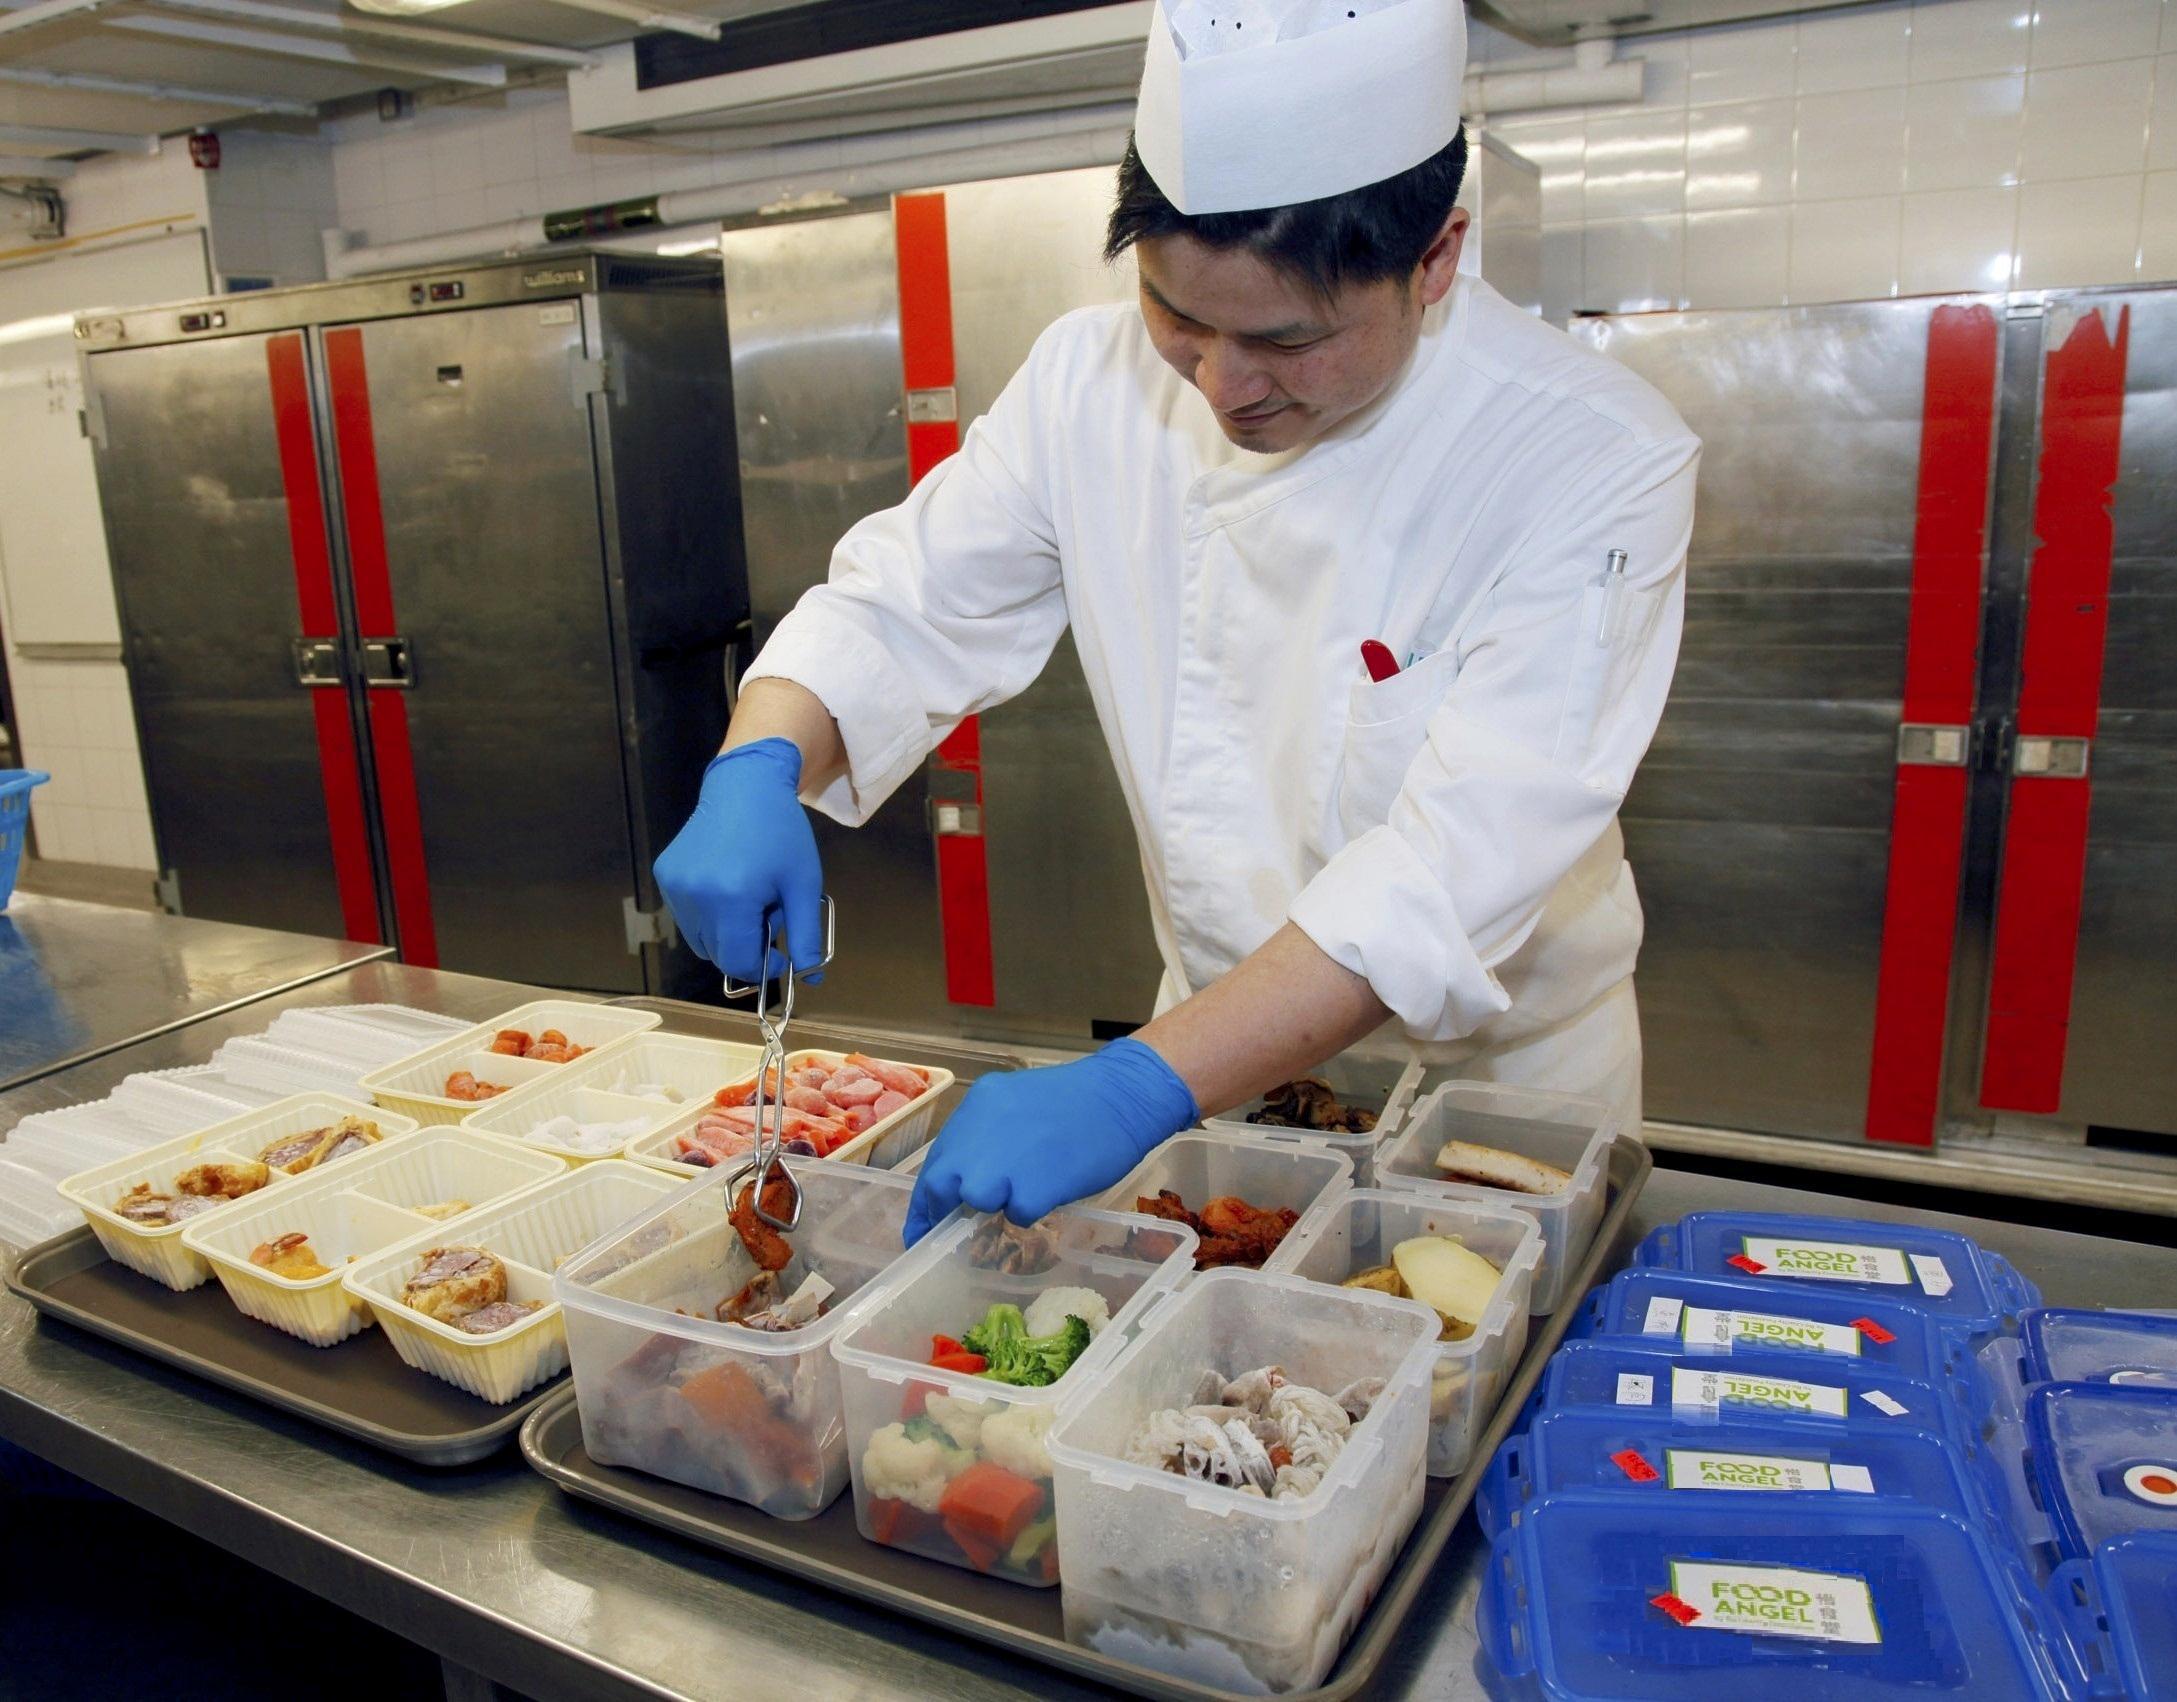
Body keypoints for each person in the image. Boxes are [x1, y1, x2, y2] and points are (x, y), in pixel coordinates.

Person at [655, 0, 1699, 1244]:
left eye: (1284, 339)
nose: (1220, 383)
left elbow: (1441, 878)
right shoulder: (1082, 381)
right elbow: (904, 603)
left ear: (1433, 260)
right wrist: (761, 757)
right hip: (1215, 1067)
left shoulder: (1589, 457)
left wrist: (1135, 1084)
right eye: (1176, 316)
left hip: (1493, 1097)